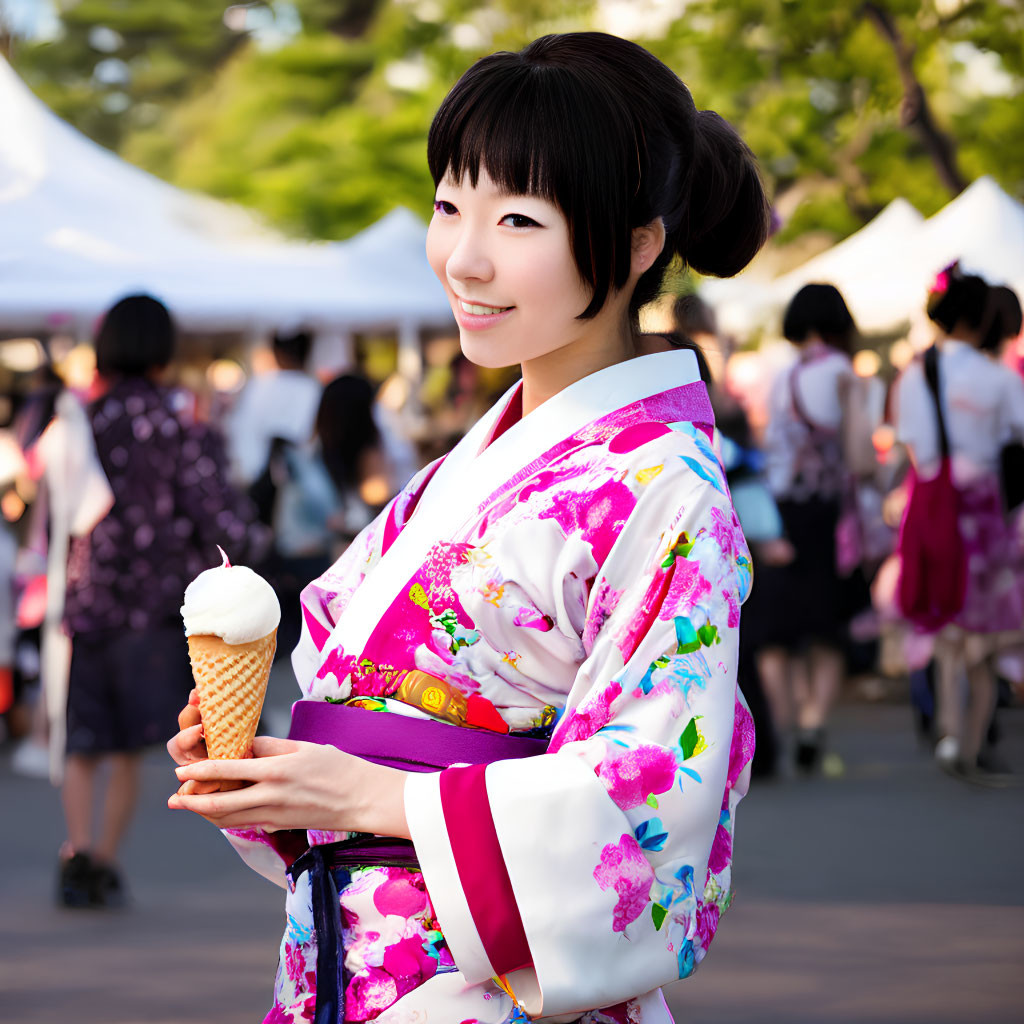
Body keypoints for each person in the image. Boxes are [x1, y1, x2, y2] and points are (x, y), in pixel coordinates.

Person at [169, 33, 769, 1023]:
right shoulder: (479, 458)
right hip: (356, 958)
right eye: (450, 207)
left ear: (636, 244)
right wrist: (271, 771)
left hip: (485, 990)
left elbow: (650, 801)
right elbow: (376, 724)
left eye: (519, 218)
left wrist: (370, 798)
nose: (465, 256)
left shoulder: (663, 483)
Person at [57, 294, 268, 907]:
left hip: (87, 601)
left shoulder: (79, 422)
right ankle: (103, 859)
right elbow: (222, 517)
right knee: (126, 744)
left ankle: (73, 853)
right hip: (152, 608)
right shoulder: (179, 426)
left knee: (84, 739)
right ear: (163, 347)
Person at [892, 267, 1024, 782]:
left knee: (944, 633)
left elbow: (911, 447)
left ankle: (948, 734)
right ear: (981, 317)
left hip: (928, 505)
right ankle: (971, 745)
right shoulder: (999, 378)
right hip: (982, 512)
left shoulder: (911, 373)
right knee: (983, 642)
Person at [757, 284, 863, 774]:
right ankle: (815, 722)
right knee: (829, 629)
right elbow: (860, 457)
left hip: (781, 513)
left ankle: (789, 720)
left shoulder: (781, 374)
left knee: (787, 628)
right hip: (828, 514)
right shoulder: (842, 372)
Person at [226, 329, 323, 488]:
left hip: (260, 480)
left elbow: (242, 433)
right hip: (301, 481)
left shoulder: (260, 386)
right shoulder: (314, 389)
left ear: (276, 352)